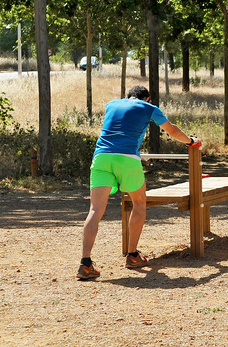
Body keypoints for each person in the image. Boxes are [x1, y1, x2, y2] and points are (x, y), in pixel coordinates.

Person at [78, 85, 194, 280]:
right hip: (127, 157)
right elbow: (172, 131)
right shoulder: (149, 108)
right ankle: (132, 255)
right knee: (139, 203)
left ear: (127, 96)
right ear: (147, 98)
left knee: (95, 210)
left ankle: (85, 263)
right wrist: (190, 141)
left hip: (101, 157)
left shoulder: (112, 104)